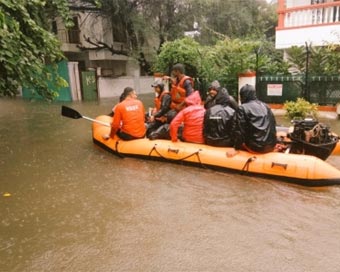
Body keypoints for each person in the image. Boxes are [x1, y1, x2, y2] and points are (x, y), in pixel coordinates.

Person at [227, 84, 277, 155]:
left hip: (256, 147)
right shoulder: (265, 106)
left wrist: (236, 148)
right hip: (270, 145)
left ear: (243, 95)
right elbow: (273, 125)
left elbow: (240, 131)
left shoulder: (242, 108)